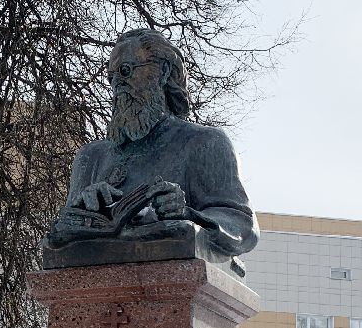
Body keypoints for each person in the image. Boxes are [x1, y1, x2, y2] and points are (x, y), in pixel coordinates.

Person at [47, 28, 259, 264]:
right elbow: (58, 240)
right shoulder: (91, 157)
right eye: (111, 78)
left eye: (126, 72)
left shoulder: (204, 143)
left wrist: (188, 214)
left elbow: (241, 225)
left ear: (163, 71)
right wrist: (83, 210)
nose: (118, 85)